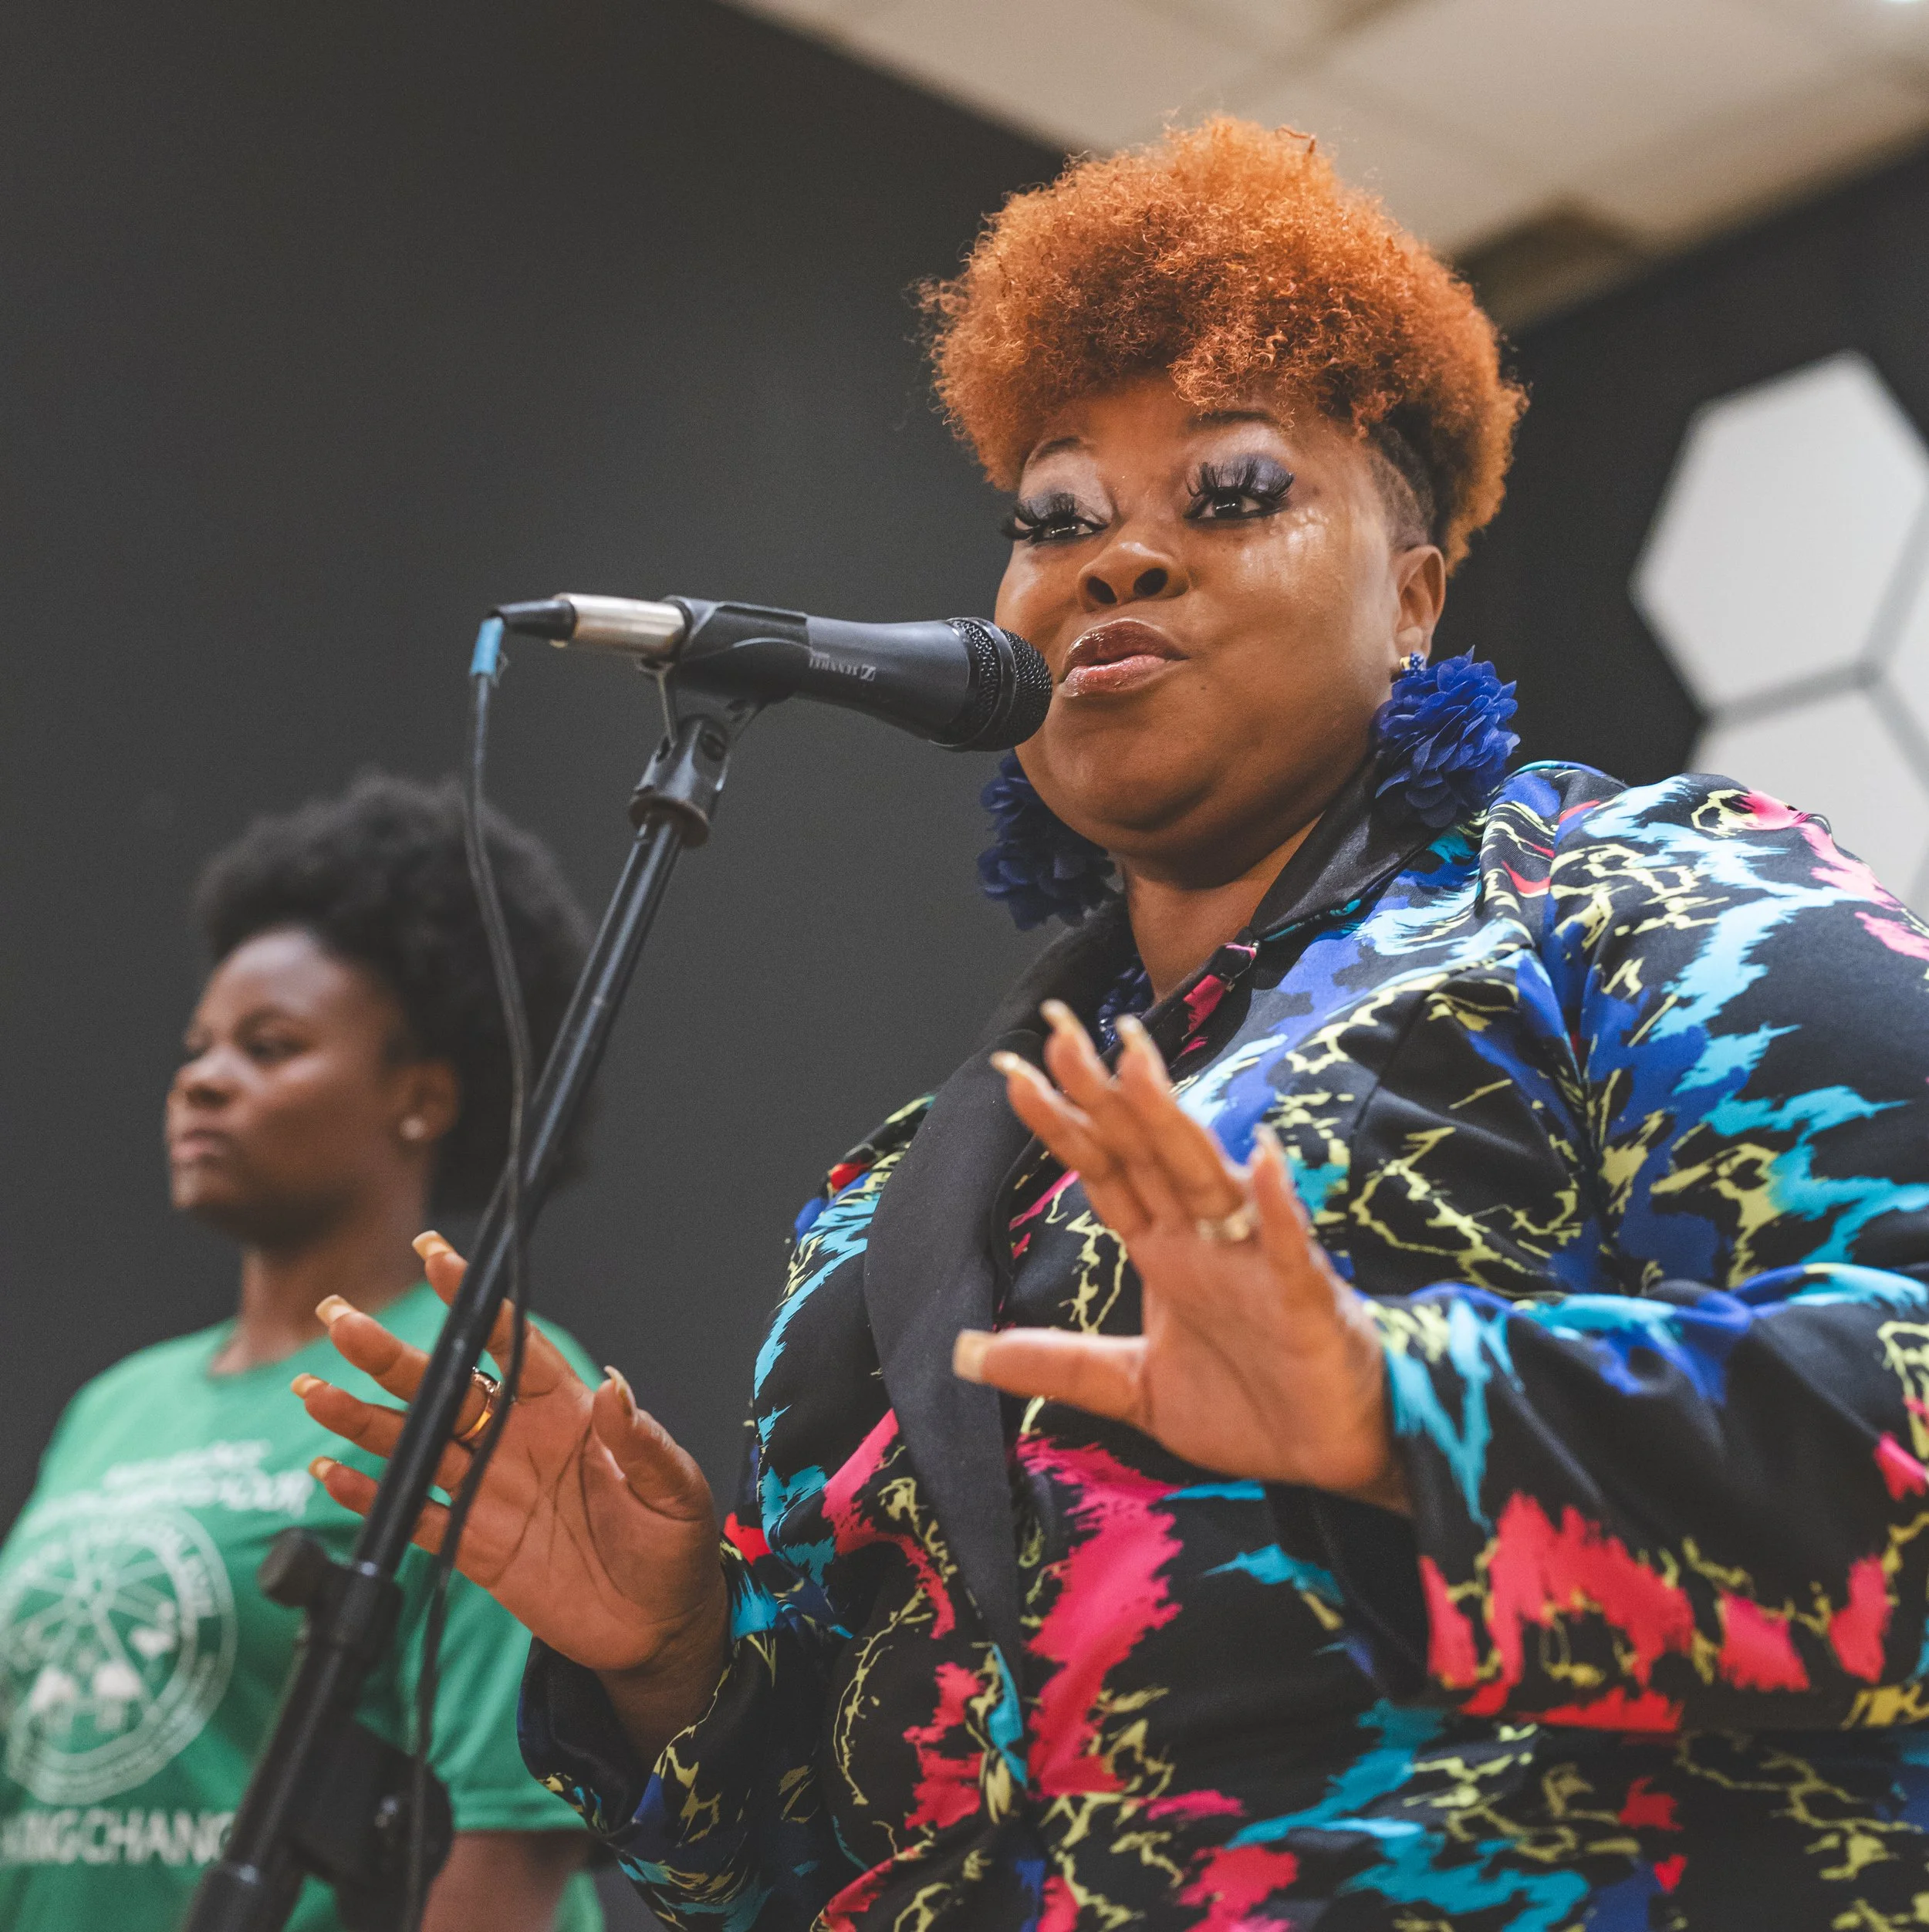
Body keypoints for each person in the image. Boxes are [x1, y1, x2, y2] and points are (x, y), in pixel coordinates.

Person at [299, 120, 1929, 1929]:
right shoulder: (900, 1188)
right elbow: (837, 1849)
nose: (1119, 559)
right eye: (1056, 516)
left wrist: (1396, 1403)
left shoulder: (1631, 899)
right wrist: (677, 1657)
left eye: (1229, 491)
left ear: (1410, 594)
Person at [0, 775, 610, 1931]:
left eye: (268, 1047)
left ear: (421, 1097)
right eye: (198, 1047)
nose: (202, 1078)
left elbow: (498, 1846)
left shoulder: (482, 1379)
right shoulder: (113, 1407)